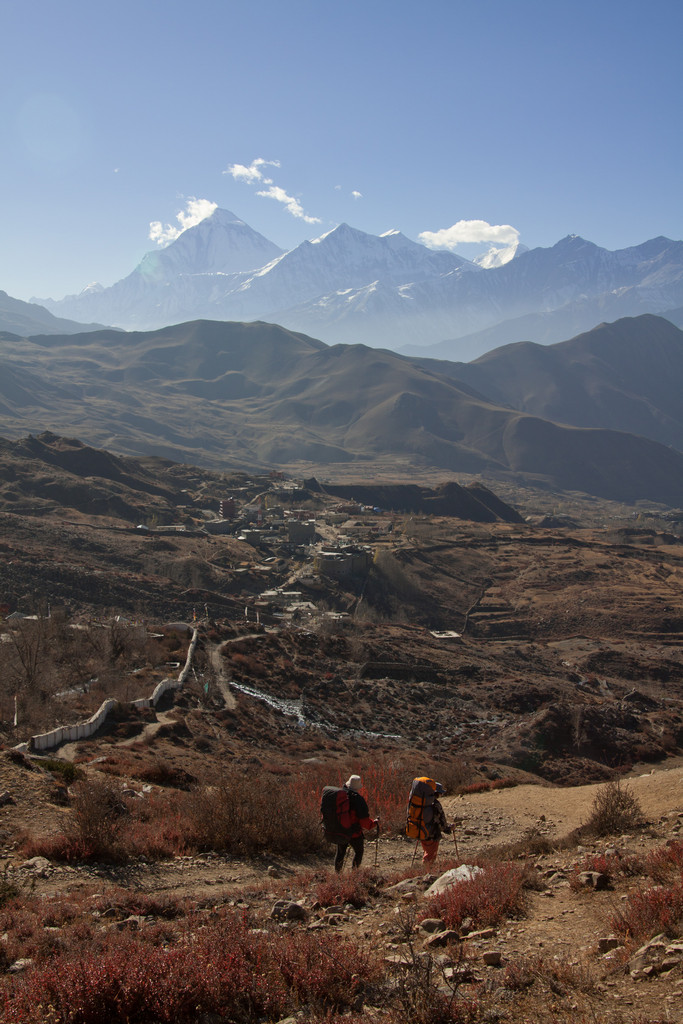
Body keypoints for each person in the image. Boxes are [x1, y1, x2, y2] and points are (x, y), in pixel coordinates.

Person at [322, 774, 379, 872]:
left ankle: (338, 874)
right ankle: (354, 874)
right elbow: (364, 821)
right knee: (359, 851)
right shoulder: (359, 800)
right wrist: (374, 823)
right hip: (354, 833)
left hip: (341, 829)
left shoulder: (341, 794)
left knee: (340, 853)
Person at [420, 783, 452, 865]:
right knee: (430, 857)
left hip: (422, 832)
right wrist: (447, 829)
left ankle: (425, 870)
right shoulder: (436, 804)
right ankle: (426, 872)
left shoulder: (422, 802)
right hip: (433, 834)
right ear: (437, 793)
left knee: (427, 852)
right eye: (440, 793)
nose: (441, 795)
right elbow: (442, 820)